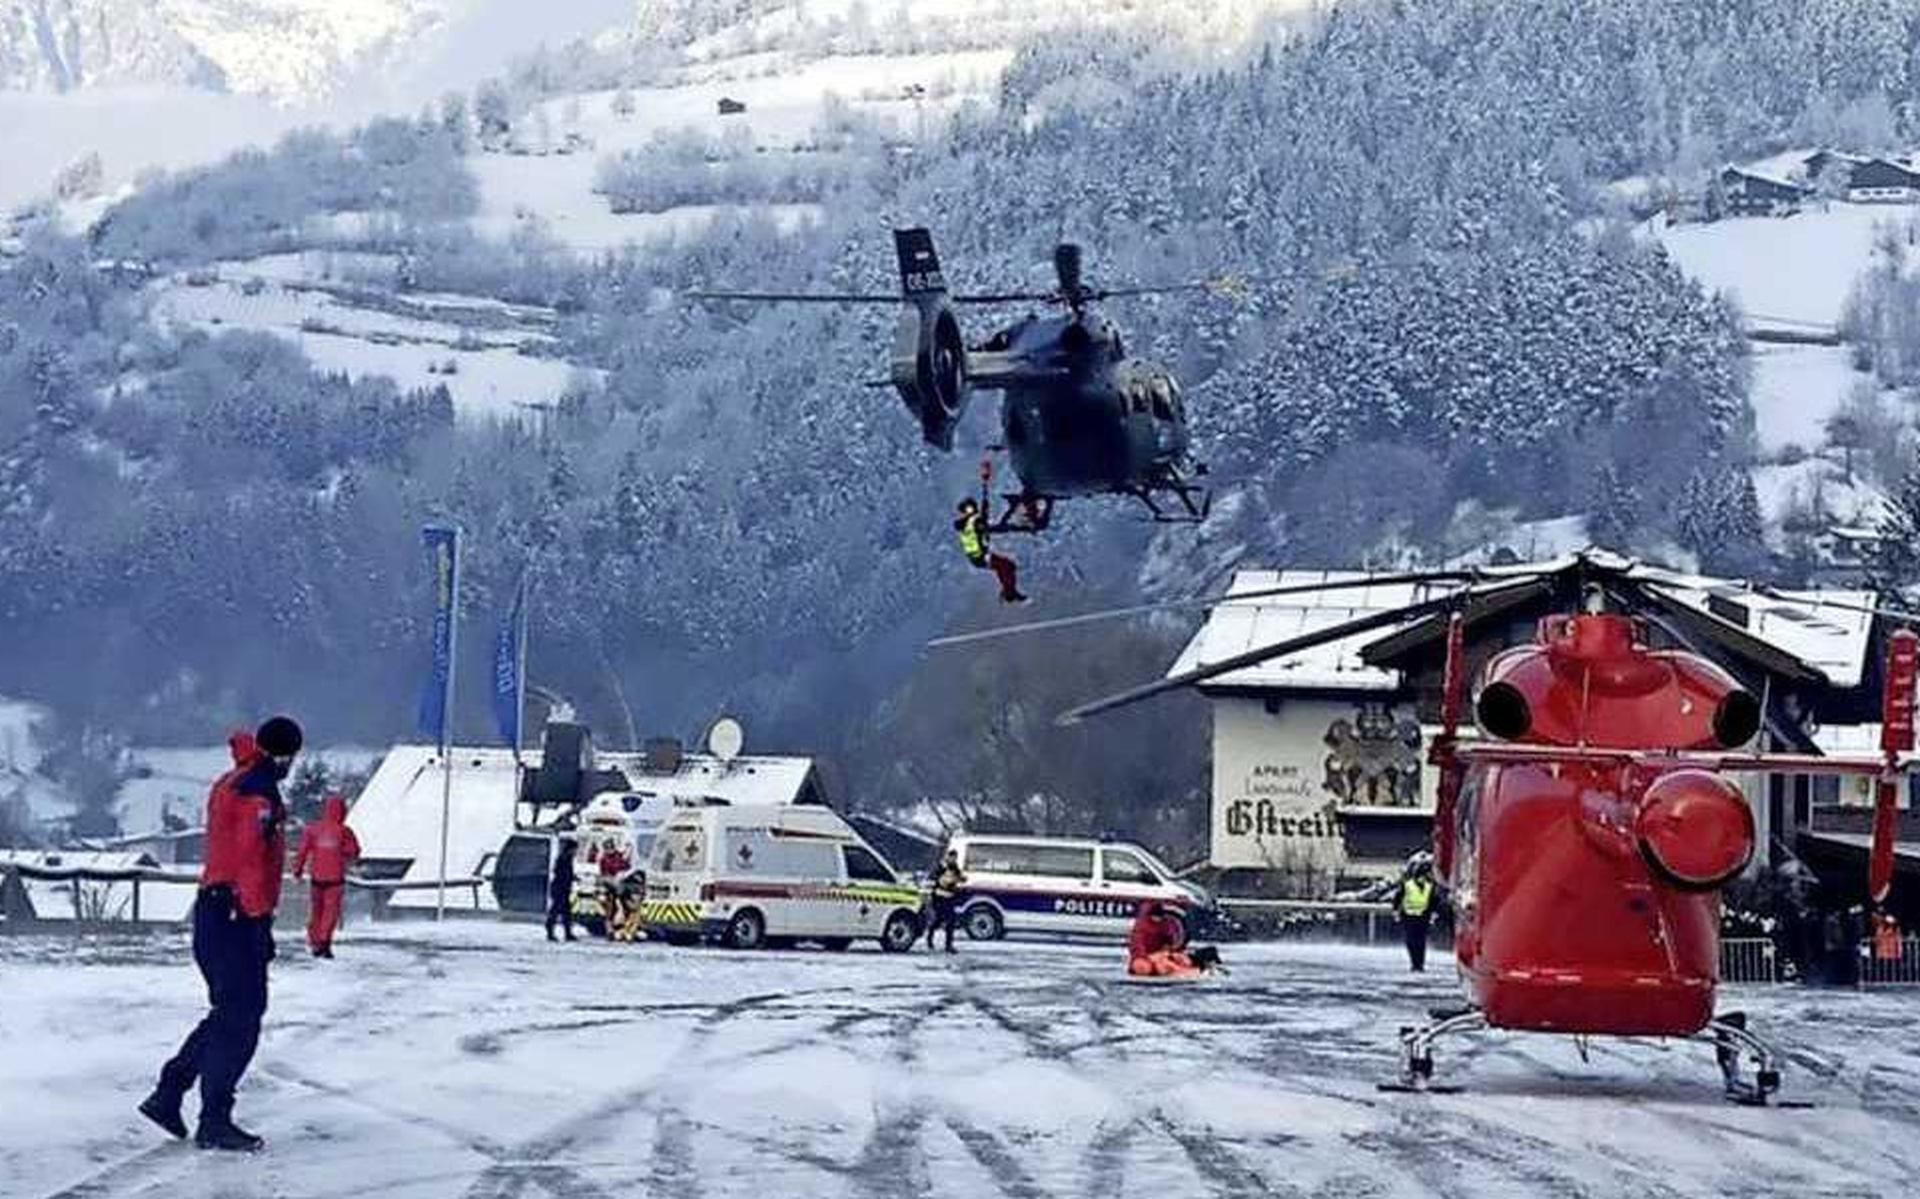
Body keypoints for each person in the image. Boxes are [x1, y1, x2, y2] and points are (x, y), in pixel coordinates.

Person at [140, 716, 302, 1152]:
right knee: (241, 1019)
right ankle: (212, 1118)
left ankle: (170, 1092)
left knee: (228, 1012)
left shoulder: (233, 780)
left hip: (216, 910)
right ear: (286, 755)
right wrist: (254, 919)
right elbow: (251, 857)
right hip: (235, 914)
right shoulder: (257, 793)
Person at [291, 793, 359, 959]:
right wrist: (343, 855)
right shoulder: (345, 831)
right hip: (335, 879)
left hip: (316, 878)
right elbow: (353, 852)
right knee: (330, 912)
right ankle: (324, 942)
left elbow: (302, 852)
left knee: (316, 911)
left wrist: (297, 870)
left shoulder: (312, 830)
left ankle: (314, 941)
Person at [955, 497, 1026, 604]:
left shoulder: (967, 523)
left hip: (979, 556)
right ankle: (1009, 593)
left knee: (1005, 567)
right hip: (981, 556)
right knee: (1007, 566)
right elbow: (981, 526)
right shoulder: (970, 522)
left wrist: (984, 510)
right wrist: (984, 513)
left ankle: (1009, 591)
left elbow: (980, 525)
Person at [1127, 901, 1202, 978]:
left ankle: (1186, 970)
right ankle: (1184, 971)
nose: (1157, 920)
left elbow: (1170, 941)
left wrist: (1167, 952)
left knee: (1171, 962)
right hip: (1145, 957)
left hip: (1160, 955)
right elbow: (1137, 944)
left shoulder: (1165, 924)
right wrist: (1147, 957)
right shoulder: (1141, 927)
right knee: (1149, 966)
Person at [1392, 852, 1439, 972]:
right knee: (1411, 941)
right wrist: (1396, 911)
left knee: (1420, 941)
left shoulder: (1429, 886)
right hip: (1408, 916)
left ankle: (1419, 964)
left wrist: (1433, 913)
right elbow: (1398, 897)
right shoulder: (1407, 884)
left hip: (1423, 916)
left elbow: (1433, 900)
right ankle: (1414, 963)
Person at [924, 849, 966, 952]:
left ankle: (949, 945)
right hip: (939, 897)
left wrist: (961, 879)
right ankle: (929, 938)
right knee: (938, 920)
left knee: (951, 921)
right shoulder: (941, 867)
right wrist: (931, 894)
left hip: (950, 898)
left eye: (955, 858)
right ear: (948, 857)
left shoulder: (955, 868)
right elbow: (933, 880)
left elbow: (959, 878)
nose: (953, 859)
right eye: (952, 857)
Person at [547, 837, 578, 943]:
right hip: (560, 888)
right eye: (574, 849)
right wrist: (569, 878)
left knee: (566, 912)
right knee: (556, 911)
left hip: (563, 888)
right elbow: (560, 873)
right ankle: (551, 932)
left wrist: (573, 877)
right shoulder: (564, 858)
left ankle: (567, 933)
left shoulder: (566, 858)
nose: (575, 852)